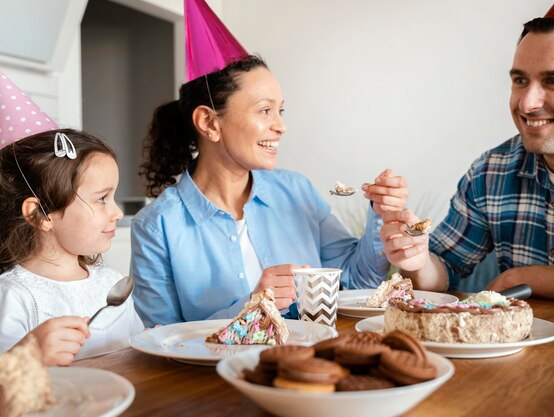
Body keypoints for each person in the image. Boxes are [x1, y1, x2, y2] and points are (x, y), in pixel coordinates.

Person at [130, 0, 408, 326]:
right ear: (208, 123)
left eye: (281, 110)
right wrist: (251, 307)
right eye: (265, 110)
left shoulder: (296, 191)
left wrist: (380, 215)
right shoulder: (156, 227)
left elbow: (355, 282)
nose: (281, 125)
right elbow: (162, 340)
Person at [381, 1, 554, 307]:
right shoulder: (491, 172)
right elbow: (445, 270)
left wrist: (517, 278)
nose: (526, 103)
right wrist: (416, 259)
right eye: (520, 80)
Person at [0, 129, 144, 365]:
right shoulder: (13, 296)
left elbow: (137, 349)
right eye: (101, 199)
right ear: (41, 214)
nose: (118, 213)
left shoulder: (111, 283)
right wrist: (29, 355)